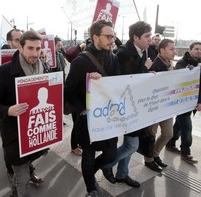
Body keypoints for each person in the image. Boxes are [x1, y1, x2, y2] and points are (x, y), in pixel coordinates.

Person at [0, 30, 50, 197]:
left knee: (23, 171)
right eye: (30, 48)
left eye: (38, 49)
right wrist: (8, 110)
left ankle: (14, 193)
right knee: (22, 177)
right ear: (20, 47)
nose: (35, 54)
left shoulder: (44, 68)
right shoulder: (3, 71)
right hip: (15, 134)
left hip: (36, 131)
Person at [65, 20, 119, 197]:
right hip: (87, 118)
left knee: (111, 154)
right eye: (108, 36)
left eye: (113, 36)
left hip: (108, 116)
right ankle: (91, 188)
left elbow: (118, 84)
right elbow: (68, 91)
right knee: (88, 154)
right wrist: (82, 109)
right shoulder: (80, 61)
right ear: (95, 37)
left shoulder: (114, 57)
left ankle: (89, 175)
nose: (112, 40)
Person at [102, 21, 153, 188]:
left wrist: (148, 73)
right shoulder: (124, 53)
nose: (150, 40)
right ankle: (107, 164)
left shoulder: (142, 51)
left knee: (131, 143)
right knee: (132, 145)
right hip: (125, 106)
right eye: (147, 36)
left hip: (136, 105)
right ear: (135, 37)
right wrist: (145, 69)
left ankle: (122, 174)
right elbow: (127, 81)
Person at [143, 39, 176, 172]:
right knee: (151, 134)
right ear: (162, 50)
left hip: (166, 105)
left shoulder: (170, 64)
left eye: (174, 49)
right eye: (171, 49)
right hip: (154, 106)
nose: (174, 52)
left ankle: (154, 154)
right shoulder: (154, 65)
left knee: (168, 133)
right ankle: (149, 159)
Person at [166, 41, 201, 164]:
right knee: (187, 127)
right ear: (190, 50)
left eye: (200, 50)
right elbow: (178, 80)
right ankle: (186, 152)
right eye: (196, 49)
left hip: (192, 102)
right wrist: (190, 71)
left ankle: (170, 144)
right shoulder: (182, 63)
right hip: (181, 102)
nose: (199, 51)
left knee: (179, 125)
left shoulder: (199, 64)